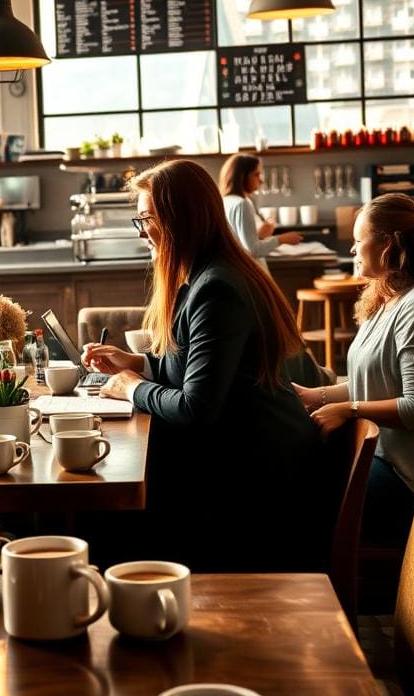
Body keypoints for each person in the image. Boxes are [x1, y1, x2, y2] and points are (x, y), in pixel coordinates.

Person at [82, 159, 324, 571]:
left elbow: (197, 407)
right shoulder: (209, 274)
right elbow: (198, 369)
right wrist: (139, 363)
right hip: (241, 455)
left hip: (253, 477)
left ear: (179, 220)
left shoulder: (217, 288)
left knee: (106, 514)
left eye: (146, 220)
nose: (142, 233)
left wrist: (131, 387)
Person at [295, 193, 414, 551]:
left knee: (303, 502)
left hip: (412, 475)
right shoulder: (390, 296)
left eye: (359, 241)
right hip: (381, 453)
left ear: (388, 245)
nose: (352, 250)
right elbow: (375, 383)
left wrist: (348, 410)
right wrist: (317, 396)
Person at [218, 153, 302, 270]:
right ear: (242, 176)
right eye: (256, 175)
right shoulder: (241, 204)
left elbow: (239, 241)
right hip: (250, 272)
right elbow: (253, 250)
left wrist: (260, 235)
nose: (261, 181)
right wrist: (282, 239)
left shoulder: (225, 201)